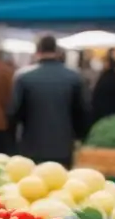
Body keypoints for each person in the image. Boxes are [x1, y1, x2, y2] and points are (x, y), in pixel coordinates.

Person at [7, 35, 89, 168]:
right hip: (63, 146)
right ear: (56, 51)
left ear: (37, 51)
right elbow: (82, 111)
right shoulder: (74, 77)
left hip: (31, 146)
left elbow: (13, 113)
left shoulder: (23, 77)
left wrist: (13, 146)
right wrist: (80, 137)